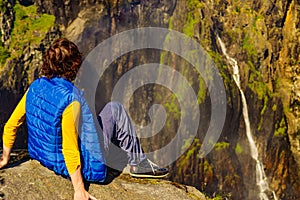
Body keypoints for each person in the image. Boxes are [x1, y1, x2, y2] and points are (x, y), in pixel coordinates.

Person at [0, 38, 168, 200]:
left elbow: (11, 125)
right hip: (77, 165)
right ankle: (138, 163)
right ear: (73, 66)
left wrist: (5, 158)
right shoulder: (70, 100)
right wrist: (79, 189)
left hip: (41, 155)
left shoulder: (35, 86)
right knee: (114, 109)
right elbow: (69, 148)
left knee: (95, 115)